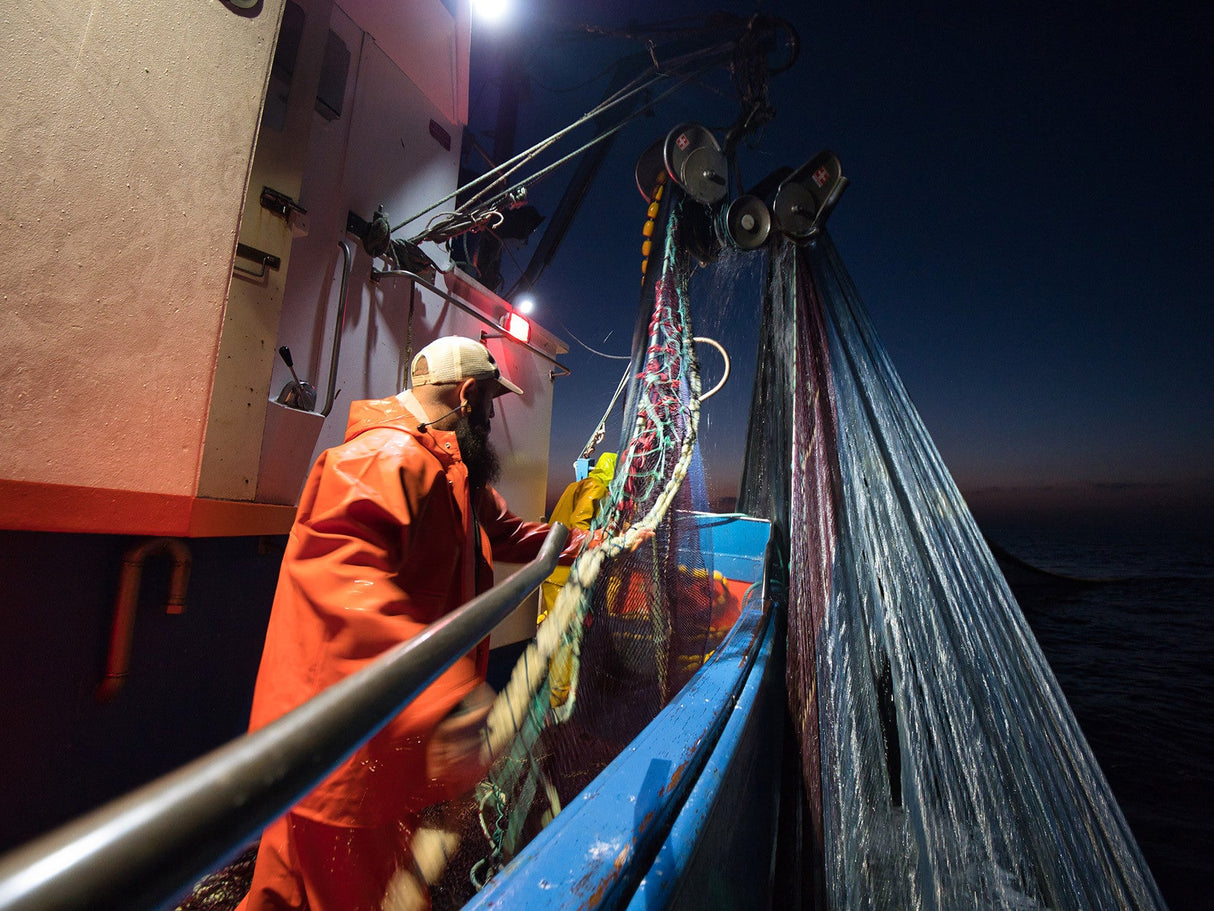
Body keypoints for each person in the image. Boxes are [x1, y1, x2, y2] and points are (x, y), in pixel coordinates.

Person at [237, 336, 582, 911]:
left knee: (283, 893)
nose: (491, 419)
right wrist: (450, 701)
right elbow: (344, 589)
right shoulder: (385, 458)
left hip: (339, 734)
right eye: (490, 404)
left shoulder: (451, 468)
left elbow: (511, 533)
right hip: (351, 745)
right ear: (469, 396)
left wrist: (589, 542)